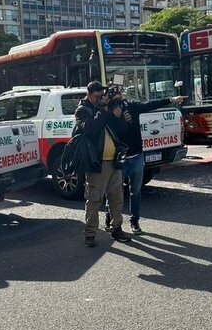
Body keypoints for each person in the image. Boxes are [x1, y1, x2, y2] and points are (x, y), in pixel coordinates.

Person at [105, 87, 187, 234]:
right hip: (120, 158)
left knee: (135, 191)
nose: (119, 98)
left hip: (136, 155)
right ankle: (109, 219)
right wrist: (116, 116)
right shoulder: (108, 112)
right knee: (114, 193)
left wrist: (170, 100)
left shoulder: (132, 106)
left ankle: (134, 221)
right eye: (115, 96)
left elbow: (150, 104)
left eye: (120, 95)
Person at [75, 80, 131, 247]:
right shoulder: (83, 110)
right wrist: (103, 110)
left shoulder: (106, 108)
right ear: (89, 95)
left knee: (117, 197)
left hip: (114, 160)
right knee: (94, 199)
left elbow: (121, 130)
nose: (100, 98)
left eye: (102, 95)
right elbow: (90, 129)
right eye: (97, 96)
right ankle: (90, 234)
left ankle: (116, 228)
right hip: (96, 163)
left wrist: (120, 117)